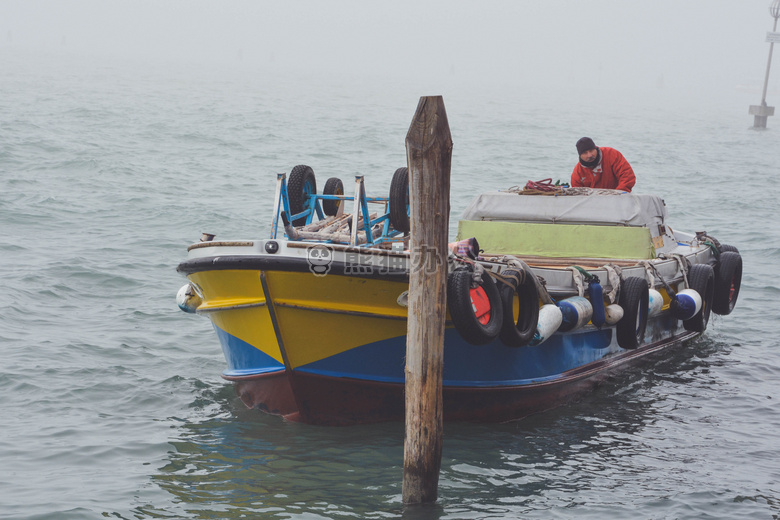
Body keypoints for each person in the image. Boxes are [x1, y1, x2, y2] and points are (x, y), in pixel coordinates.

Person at [571, 137, 636, 192]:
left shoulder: (612, 155)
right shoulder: (578, 173)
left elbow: (627, 176)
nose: (590, 155)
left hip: (617, 198)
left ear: (595, 148)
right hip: (593, 203)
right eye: (585, 153)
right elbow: (578, 194)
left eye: (591, 150)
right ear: (580, 155)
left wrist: (617, 195)